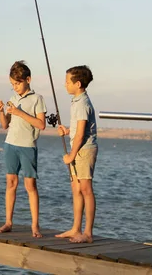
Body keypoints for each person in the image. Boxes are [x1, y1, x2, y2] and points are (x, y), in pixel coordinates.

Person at [0, 60, 47, 238]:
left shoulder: (37, 99)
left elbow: (41, 125)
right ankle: (8, 222)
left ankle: (35, 226)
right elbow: (5, 125)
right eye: (12, 84)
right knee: (11, 183)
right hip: (10, 144)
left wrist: (20, 113)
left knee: (30, 185)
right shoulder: (13, 99)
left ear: (28, 80)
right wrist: (2, 112)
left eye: (17, 83)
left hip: (27, 146)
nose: (15, 87)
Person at [55, 65, 98, 243]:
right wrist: (67, 131)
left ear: (78, 83)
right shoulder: (77, 101)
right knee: (76, 188)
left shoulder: (82, 104)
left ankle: (87, 233)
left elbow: (81, 135)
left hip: (84, 150)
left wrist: (71, 155)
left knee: (86, 189)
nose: (65, 84)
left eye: (67, 82)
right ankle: (75, 228)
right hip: (78, 148)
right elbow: (77, 130)